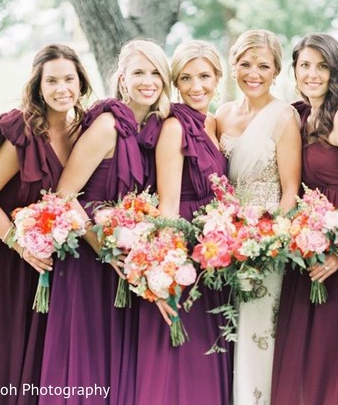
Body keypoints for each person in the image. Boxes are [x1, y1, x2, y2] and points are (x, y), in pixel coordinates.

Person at [0, 44, 91, 405]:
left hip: (48, 261)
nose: (62, 88)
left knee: (37, 363)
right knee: (1, 353)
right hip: (3, 253)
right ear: (37, 86)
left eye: (69, 79)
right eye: (52, 81)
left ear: (81, 82)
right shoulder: (21, 130)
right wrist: (22, 244)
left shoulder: (83, 131)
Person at [39, 39, 171, 404]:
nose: (148, 81)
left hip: (127, 261)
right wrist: (106, 248)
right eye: (139, 72)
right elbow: (65, 194)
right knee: (88, 360)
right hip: (90, 258)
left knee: (120, 361)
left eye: (156, 72)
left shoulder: (155, 130)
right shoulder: (108, 126)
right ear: (122, 79)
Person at [271, 33, 338, 404]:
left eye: (322, 66)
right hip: (308, 237)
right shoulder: (300, 113)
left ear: (335, 71)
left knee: (335, 347)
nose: (312, 74)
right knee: (308, 344)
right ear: (295, 70)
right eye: (305, 66)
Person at [135, 40, 232, 405]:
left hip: (214, 248)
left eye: (204, 76)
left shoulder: (211, 121)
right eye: (186, 78)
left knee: (210, 348)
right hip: (186, 250)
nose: (196, 86)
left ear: (218, 77)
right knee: (185, 355)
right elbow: (169, 208)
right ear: (175, 83)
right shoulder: (175, 126)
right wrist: (168, 273)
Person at [215, 29, 301, 405]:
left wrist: (268, 241)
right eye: (246, 64)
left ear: (276, 71)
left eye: (264, 65)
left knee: (257, 330)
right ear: (234, 66)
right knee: (224, 327)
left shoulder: (284, 116)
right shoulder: (221, 114)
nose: (254, 72)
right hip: (224, 238)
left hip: (265, 243)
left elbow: (291, 191)